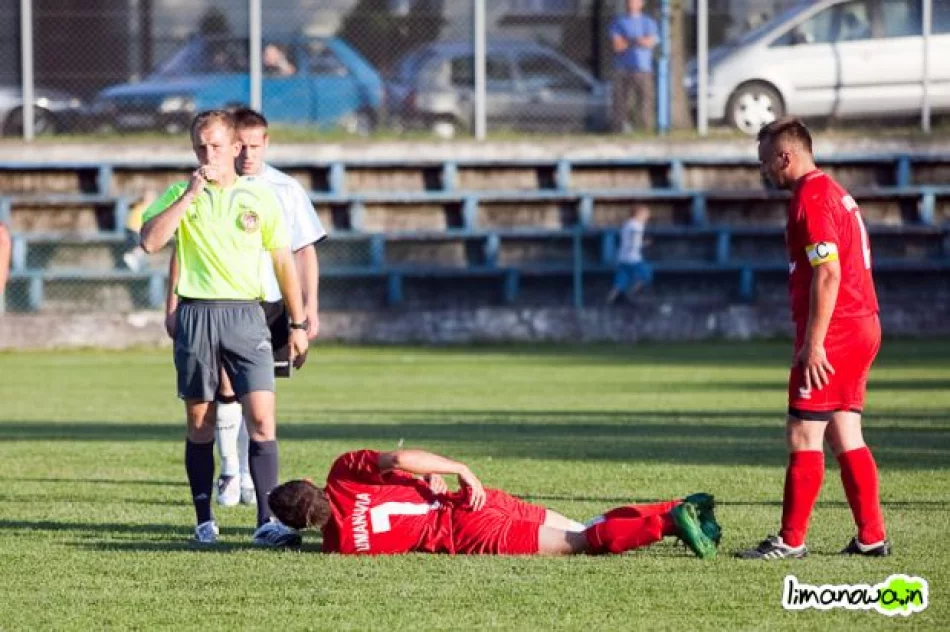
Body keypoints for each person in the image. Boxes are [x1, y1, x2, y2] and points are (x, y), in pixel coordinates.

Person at [140, 109, 308, 546]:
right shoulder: (180, 193)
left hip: (246, 316)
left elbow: (282, 261)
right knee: (200, 423)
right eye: (200, 146)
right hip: (198, 315)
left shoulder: (260, 199)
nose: (207, 154)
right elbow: (150, 241)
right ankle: (203, 519)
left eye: (215, 146)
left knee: (262, 420)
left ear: (236, 148)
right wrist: (189, 197)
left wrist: (298, 322)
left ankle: (265, 522)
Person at [739, 117, 888, 560]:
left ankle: (790, 540)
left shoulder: (812, 197)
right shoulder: (836, 192)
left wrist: (815, 342)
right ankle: (871, 536)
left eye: (766, 162)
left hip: (837, 329)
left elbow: (828, 273)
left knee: (803, 433)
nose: (764, 170)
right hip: (863, 323)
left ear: (786, 156)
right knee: (845, 431)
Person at [267, 447, 722, 558]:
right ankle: (673, 509)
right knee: (582, 529)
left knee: (582, 539)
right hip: (473, 504)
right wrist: (457, 470)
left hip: (468, 532)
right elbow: (401, 459)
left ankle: (671, 520)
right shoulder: (343, 471)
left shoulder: (339, 546)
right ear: (310, 481)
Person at [609, 0, 658, 133]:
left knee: (645, 102)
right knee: (621, 103)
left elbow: (650, 42)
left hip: (643, 69)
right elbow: (617, 46)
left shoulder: (648, 22)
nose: (631, 4)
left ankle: (645, 129)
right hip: (623, 68)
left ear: (641, 3)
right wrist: (638, 40)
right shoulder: (619, 22)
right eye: (629, 2)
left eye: (635, 1)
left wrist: (628, 40)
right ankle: (619, 130)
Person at [607, 204, 653, 304]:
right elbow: (635, 243)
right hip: (633, 257)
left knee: (621, 279)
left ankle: (610, 299)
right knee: (646, 275)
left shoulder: (627, 223)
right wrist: (645, 243)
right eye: (646, 215)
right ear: (639, 214)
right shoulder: (637, 226)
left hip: (622, 256)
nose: (647, 218)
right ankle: (630, 294)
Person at [122, 189, 158, 272]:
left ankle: (136, 260)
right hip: (135, 229)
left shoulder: (139, 204)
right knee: (141, 247)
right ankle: (131, 257)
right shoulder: (147, 206)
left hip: (130, 228)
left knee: (140, 248)